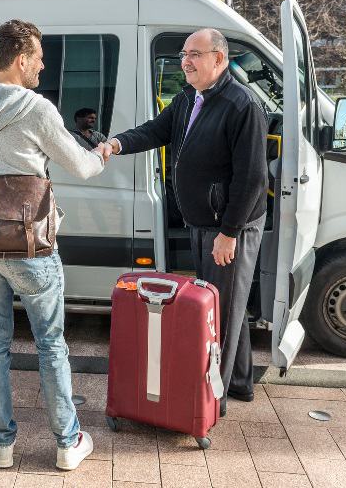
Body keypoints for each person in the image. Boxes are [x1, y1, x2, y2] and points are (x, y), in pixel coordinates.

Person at [0, 20, 108, 471]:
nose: (42, 64)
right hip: (31, 247)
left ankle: (1, 445)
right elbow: (81, 166)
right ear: (20, 60)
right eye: (37, 57)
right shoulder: (38, 110)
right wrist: (103, 151)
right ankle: (66, 443)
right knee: (51, 344)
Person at [102, 28, 267, 417]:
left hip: (229, 226)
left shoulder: (241, 105)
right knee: (227, 303)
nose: (186, 62)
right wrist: (116, 144)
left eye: (195, 54)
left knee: (218, 313)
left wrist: (228, 233)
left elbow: (252, 178)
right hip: (201, 221)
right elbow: (156, 130)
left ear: (219, 59)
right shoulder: (189, 97)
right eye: (183, 54)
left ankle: (213, 400)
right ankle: (240, 382)